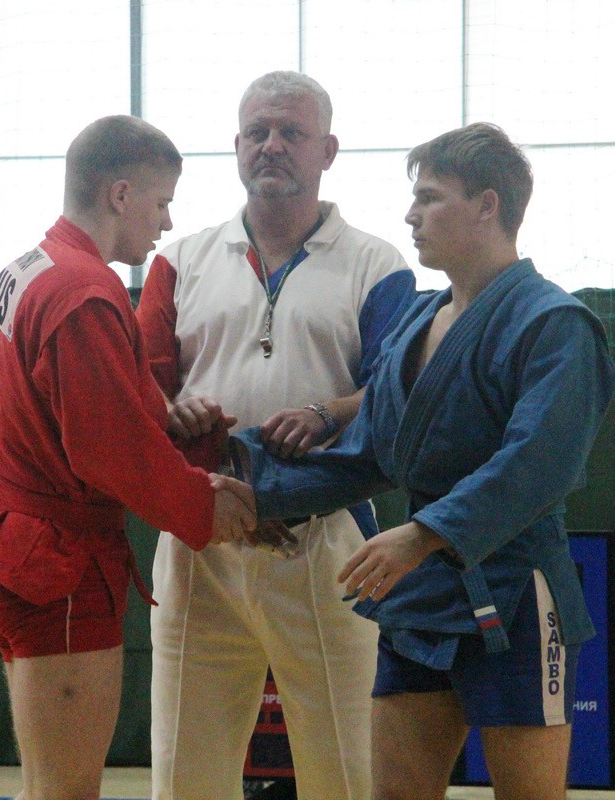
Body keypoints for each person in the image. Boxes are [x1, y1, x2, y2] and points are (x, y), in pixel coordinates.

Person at [227, 122, 615, 800]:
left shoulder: (554, 323)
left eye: (430, 198)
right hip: (418, 591)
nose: (411, 215)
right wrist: (244, 483)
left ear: (488, 205)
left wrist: (425, 532)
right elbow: (368, 453)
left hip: (514, 586)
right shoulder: (417, 322)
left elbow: (537, 465)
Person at [136, 71, 416, 800]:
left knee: (349, 771)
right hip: (199, 535)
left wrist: (326, 412)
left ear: (327, 150)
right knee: (184, 774)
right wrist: (172, 413)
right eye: (257, 132)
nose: (272, 146)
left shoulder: (378, 263)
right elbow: (139, 385)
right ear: (235, 146)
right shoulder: (179, 259)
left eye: (291, 132)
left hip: (327, 539)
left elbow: (396, 395)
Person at [0, 115, 256, 800]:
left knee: (45, 788)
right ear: (121, 195)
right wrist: (205, 507)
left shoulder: (27, 270)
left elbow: (56, 410)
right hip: (59, 566)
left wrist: (168, 419)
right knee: (66, 793)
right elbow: (109, 451)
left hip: (15, 551)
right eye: (161, 202)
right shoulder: (84, 291)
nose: (166, 221)